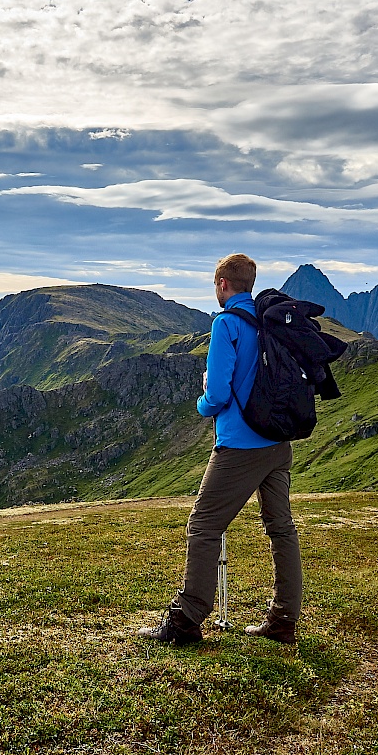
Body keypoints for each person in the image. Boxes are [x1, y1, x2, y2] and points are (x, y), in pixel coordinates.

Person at [138, 253, 302, 646]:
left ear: (223, 284)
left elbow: (216, 395)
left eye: (216, 285)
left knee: (204, 526)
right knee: (281, 528)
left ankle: (185, 620)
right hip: (278, 442)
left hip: (240, 446)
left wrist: (200, 402)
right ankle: (283, 619)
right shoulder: (269, 324)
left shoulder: (226, 324)